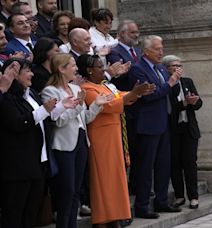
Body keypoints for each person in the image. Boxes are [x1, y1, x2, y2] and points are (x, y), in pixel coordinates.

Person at [77, 54, 155, 227]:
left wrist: (138, 93)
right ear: (89, 71)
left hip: (113, 133)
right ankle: (104, 218)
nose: (103, 69)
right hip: (100, 137)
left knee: (116, 177)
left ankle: (117, 215)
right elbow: (109, 106)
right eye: (99, 66)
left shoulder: (105, 85)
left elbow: (120, 96)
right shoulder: (86, 88)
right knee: (104, 178)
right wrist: (132, 94)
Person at [0, 58, 77, 228]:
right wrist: (44, 110)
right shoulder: (7, 99)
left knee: (31, 213)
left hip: (38, 162)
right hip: (17, 166)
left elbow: (44, 118)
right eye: (27, 71)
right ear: (14, 75)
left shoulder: (32, 93)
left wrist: (62, 106)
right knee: (14, 213)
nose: (32, 74)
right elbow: (18, 123)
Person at [41, 53, 110, 228]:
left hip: (81, 141)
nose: (76, 69)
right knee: (67, 191)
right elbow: (59, 120)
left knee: (75, 191)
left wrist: (96, 105)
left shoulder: (76, 89)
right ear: (61, 69)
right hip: (64, 145)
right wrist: (77, 105)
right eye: (72, 65)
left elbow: (85, 118)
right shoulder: (50, 91)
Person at [130, 35, 182, 218]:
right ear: (146, 51)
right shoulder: (138, 69)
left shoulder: (160, 67)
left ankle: (161, 201)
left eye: (162, 48)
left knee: (163, 165)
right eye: (157, 49)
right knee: (145, 168)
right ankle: (142, 206)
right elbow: (149, 95)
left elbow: (163, 92)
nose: (161, 52)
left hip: (163, 122)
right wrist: (170, 83)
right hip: (147, 125)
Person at [162, 55, 202, 209]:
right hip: (173, 129)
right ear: (167, 69)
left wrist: (194, 101)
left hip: (189, 128)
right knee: (175, 163)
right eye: (174, 65)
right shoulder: (166, 84)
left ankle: (194, 197)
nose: (178, 68)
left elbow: (199, 103)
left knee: (190, 163)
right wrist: (184, 103)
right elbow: (170, 108)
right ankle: (179, 195)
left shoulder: (188, 81)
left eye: (180, 65)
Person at [106, 19, 141, 91]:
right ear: (122, 33)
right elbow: (119, 76)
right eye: (133, 32)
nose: (136, 35)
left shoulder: (138, 51)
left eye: (137, 32)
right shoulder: (114, 52)